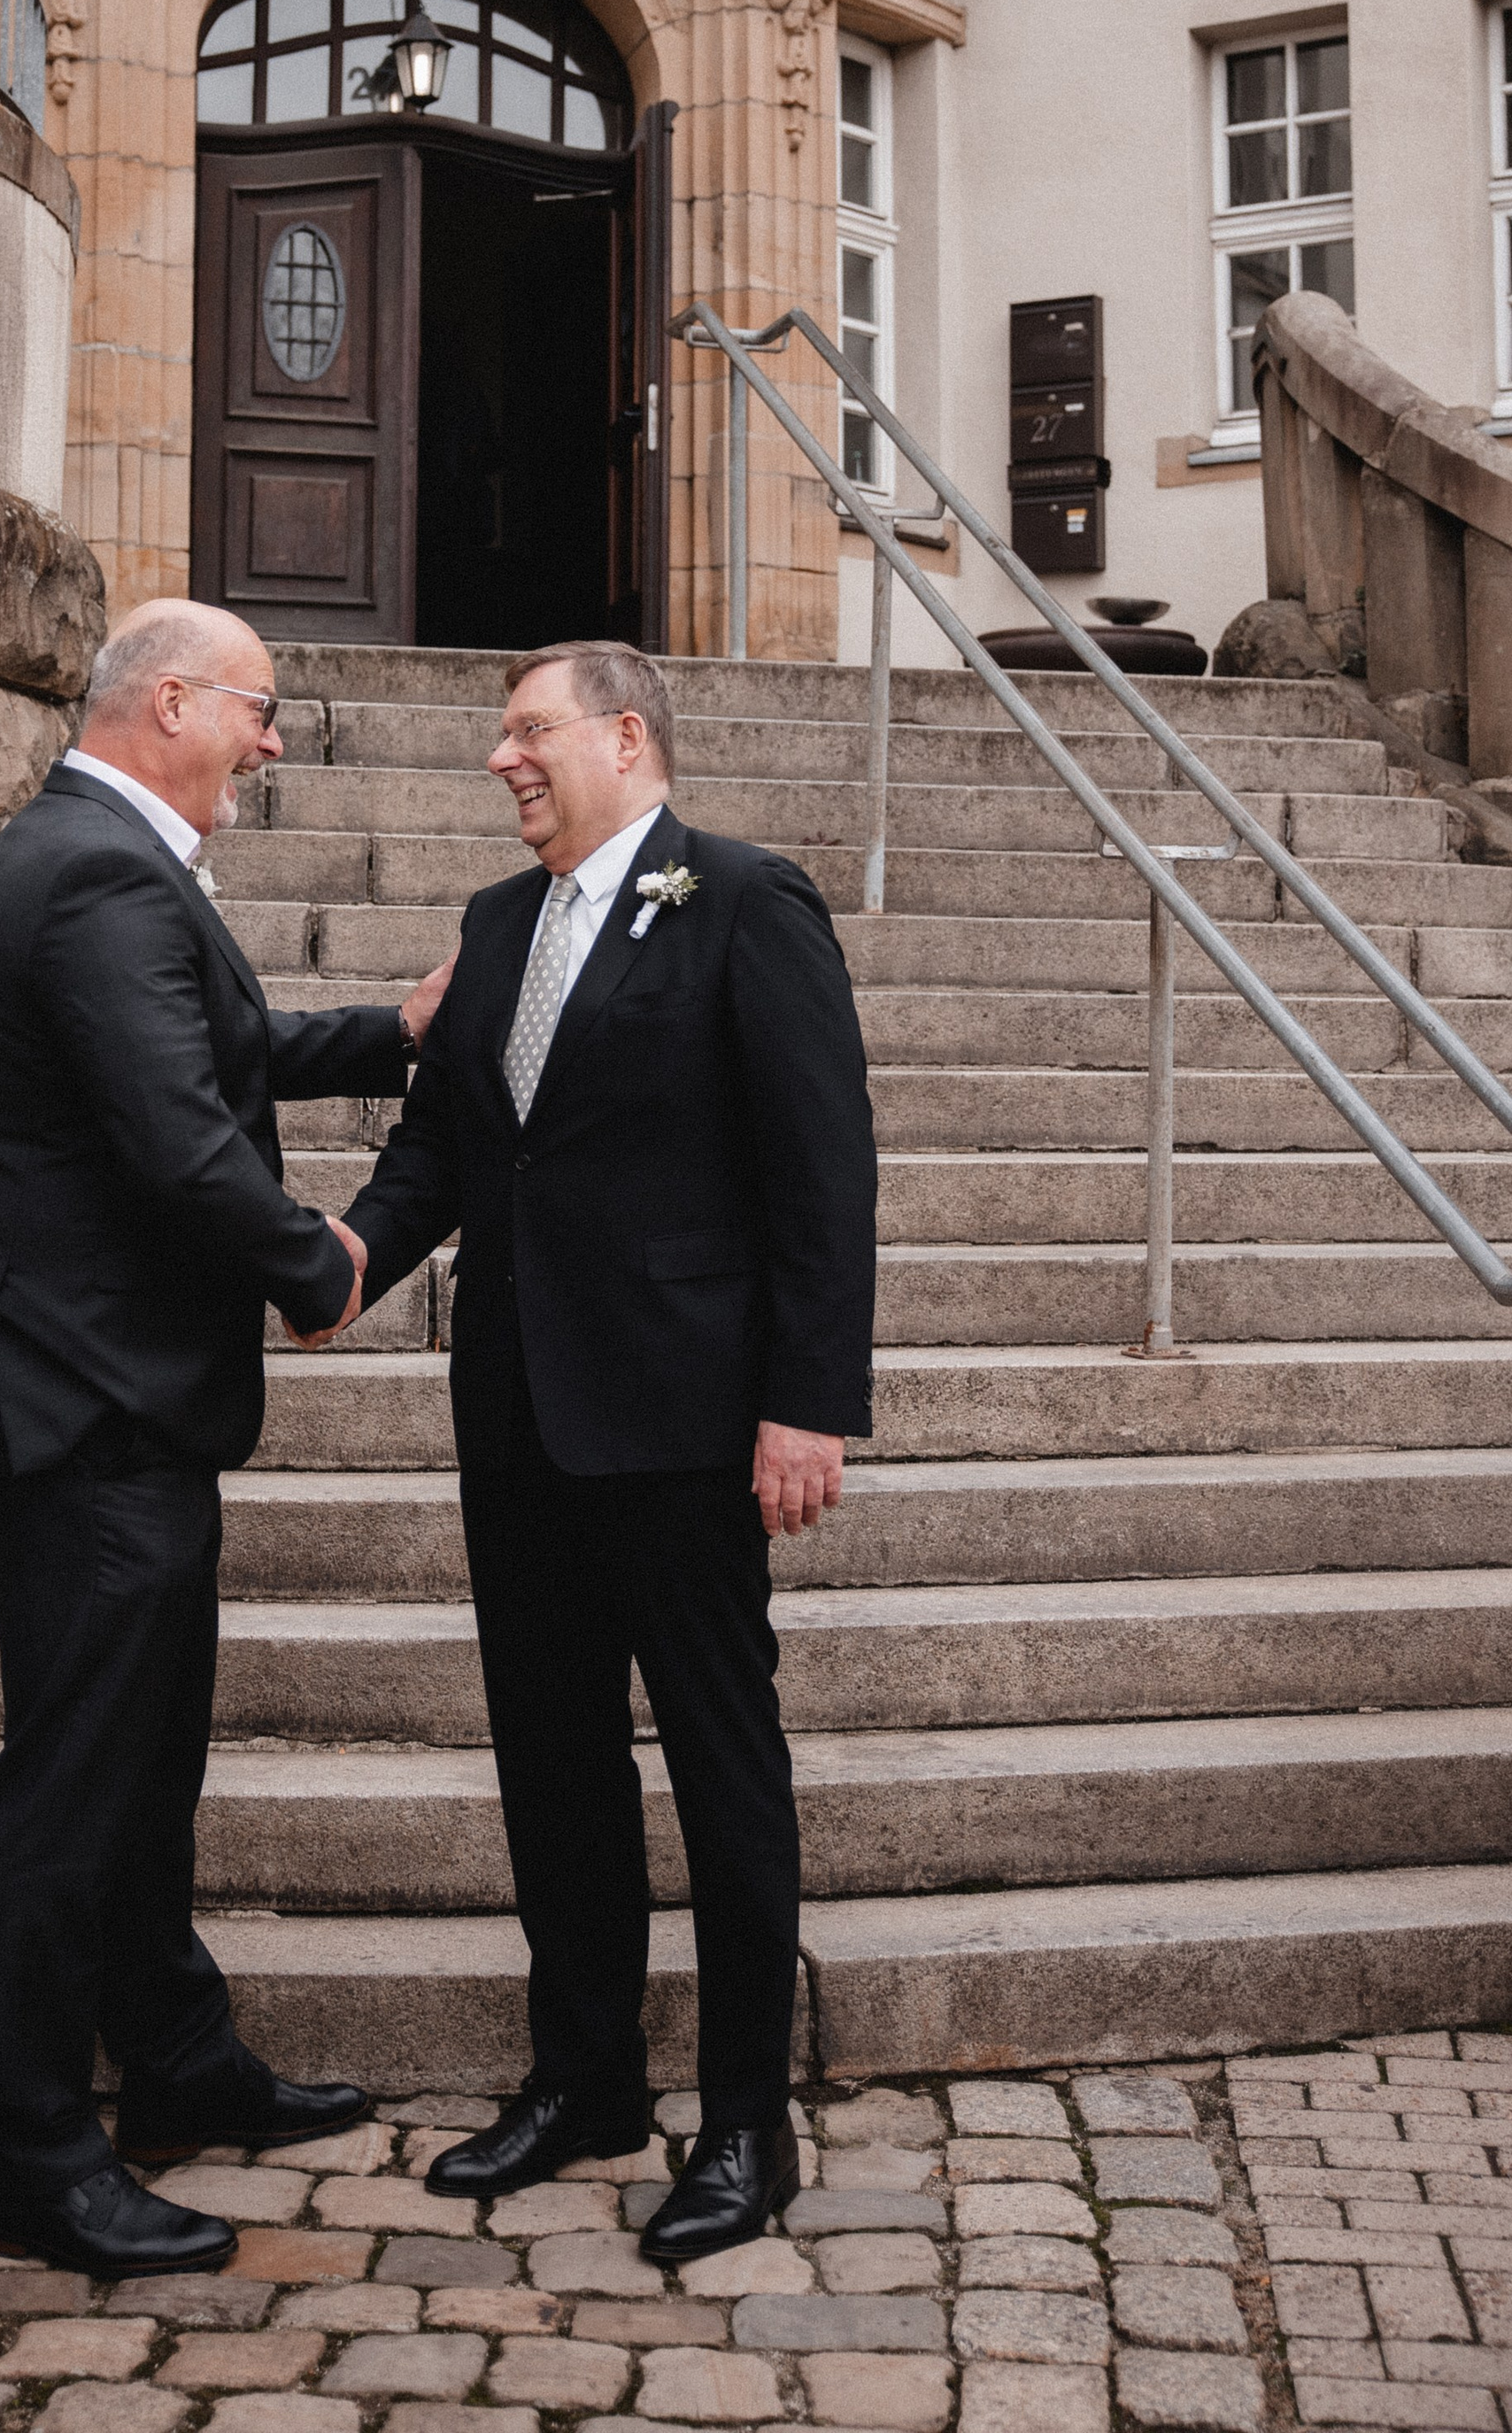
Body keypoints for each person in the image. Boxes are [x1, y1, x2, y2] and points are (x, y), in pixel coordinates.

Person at [0, 598, 452, 2282]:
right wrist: (323, 1266)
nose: (275, 740)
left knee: (144, 1771)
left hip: (114, 1399)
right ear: (167, 702)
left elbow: (213, 1056)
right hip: (86, 1407)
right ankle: (33, 2154)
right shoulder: (90, 870)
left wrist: (401, 1031)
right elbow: (173, 1137)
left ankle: (179, 2068)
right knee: (71, 1789)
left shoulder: (98, 855)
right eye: (259, 709)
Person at [341, 638, 876, 2261]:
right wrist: (342, 1265)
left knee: (724, 1769)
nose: (503, 759)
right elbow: (440, 1146)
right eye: (500, 736)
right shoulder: (498, 924)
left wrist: (807, 1402)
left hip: (688, 1421)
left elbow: (822, 1167)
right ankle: (582, 2082)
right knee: (551, 1760)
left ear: (624, 739)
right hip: (515, 1415)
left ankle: (744, 2126)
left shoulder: (745, 900)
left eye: (529, 731)